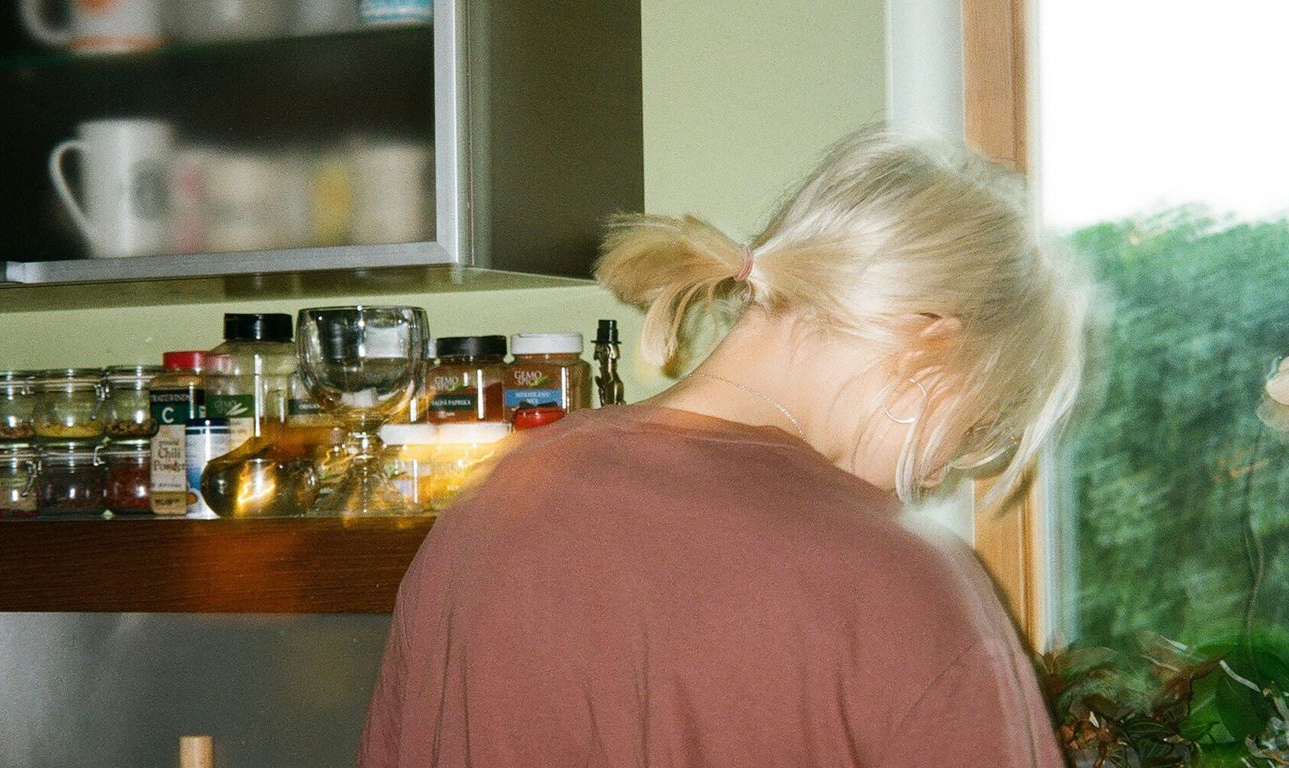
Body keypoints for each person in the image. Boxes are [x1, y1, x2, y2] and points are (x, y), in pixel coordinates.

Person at [357, 125, 1088, 767]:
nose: (934, 474)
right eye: (975, 429)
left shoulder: (492, 501)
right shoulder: (907, 587)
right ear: (932, 347)